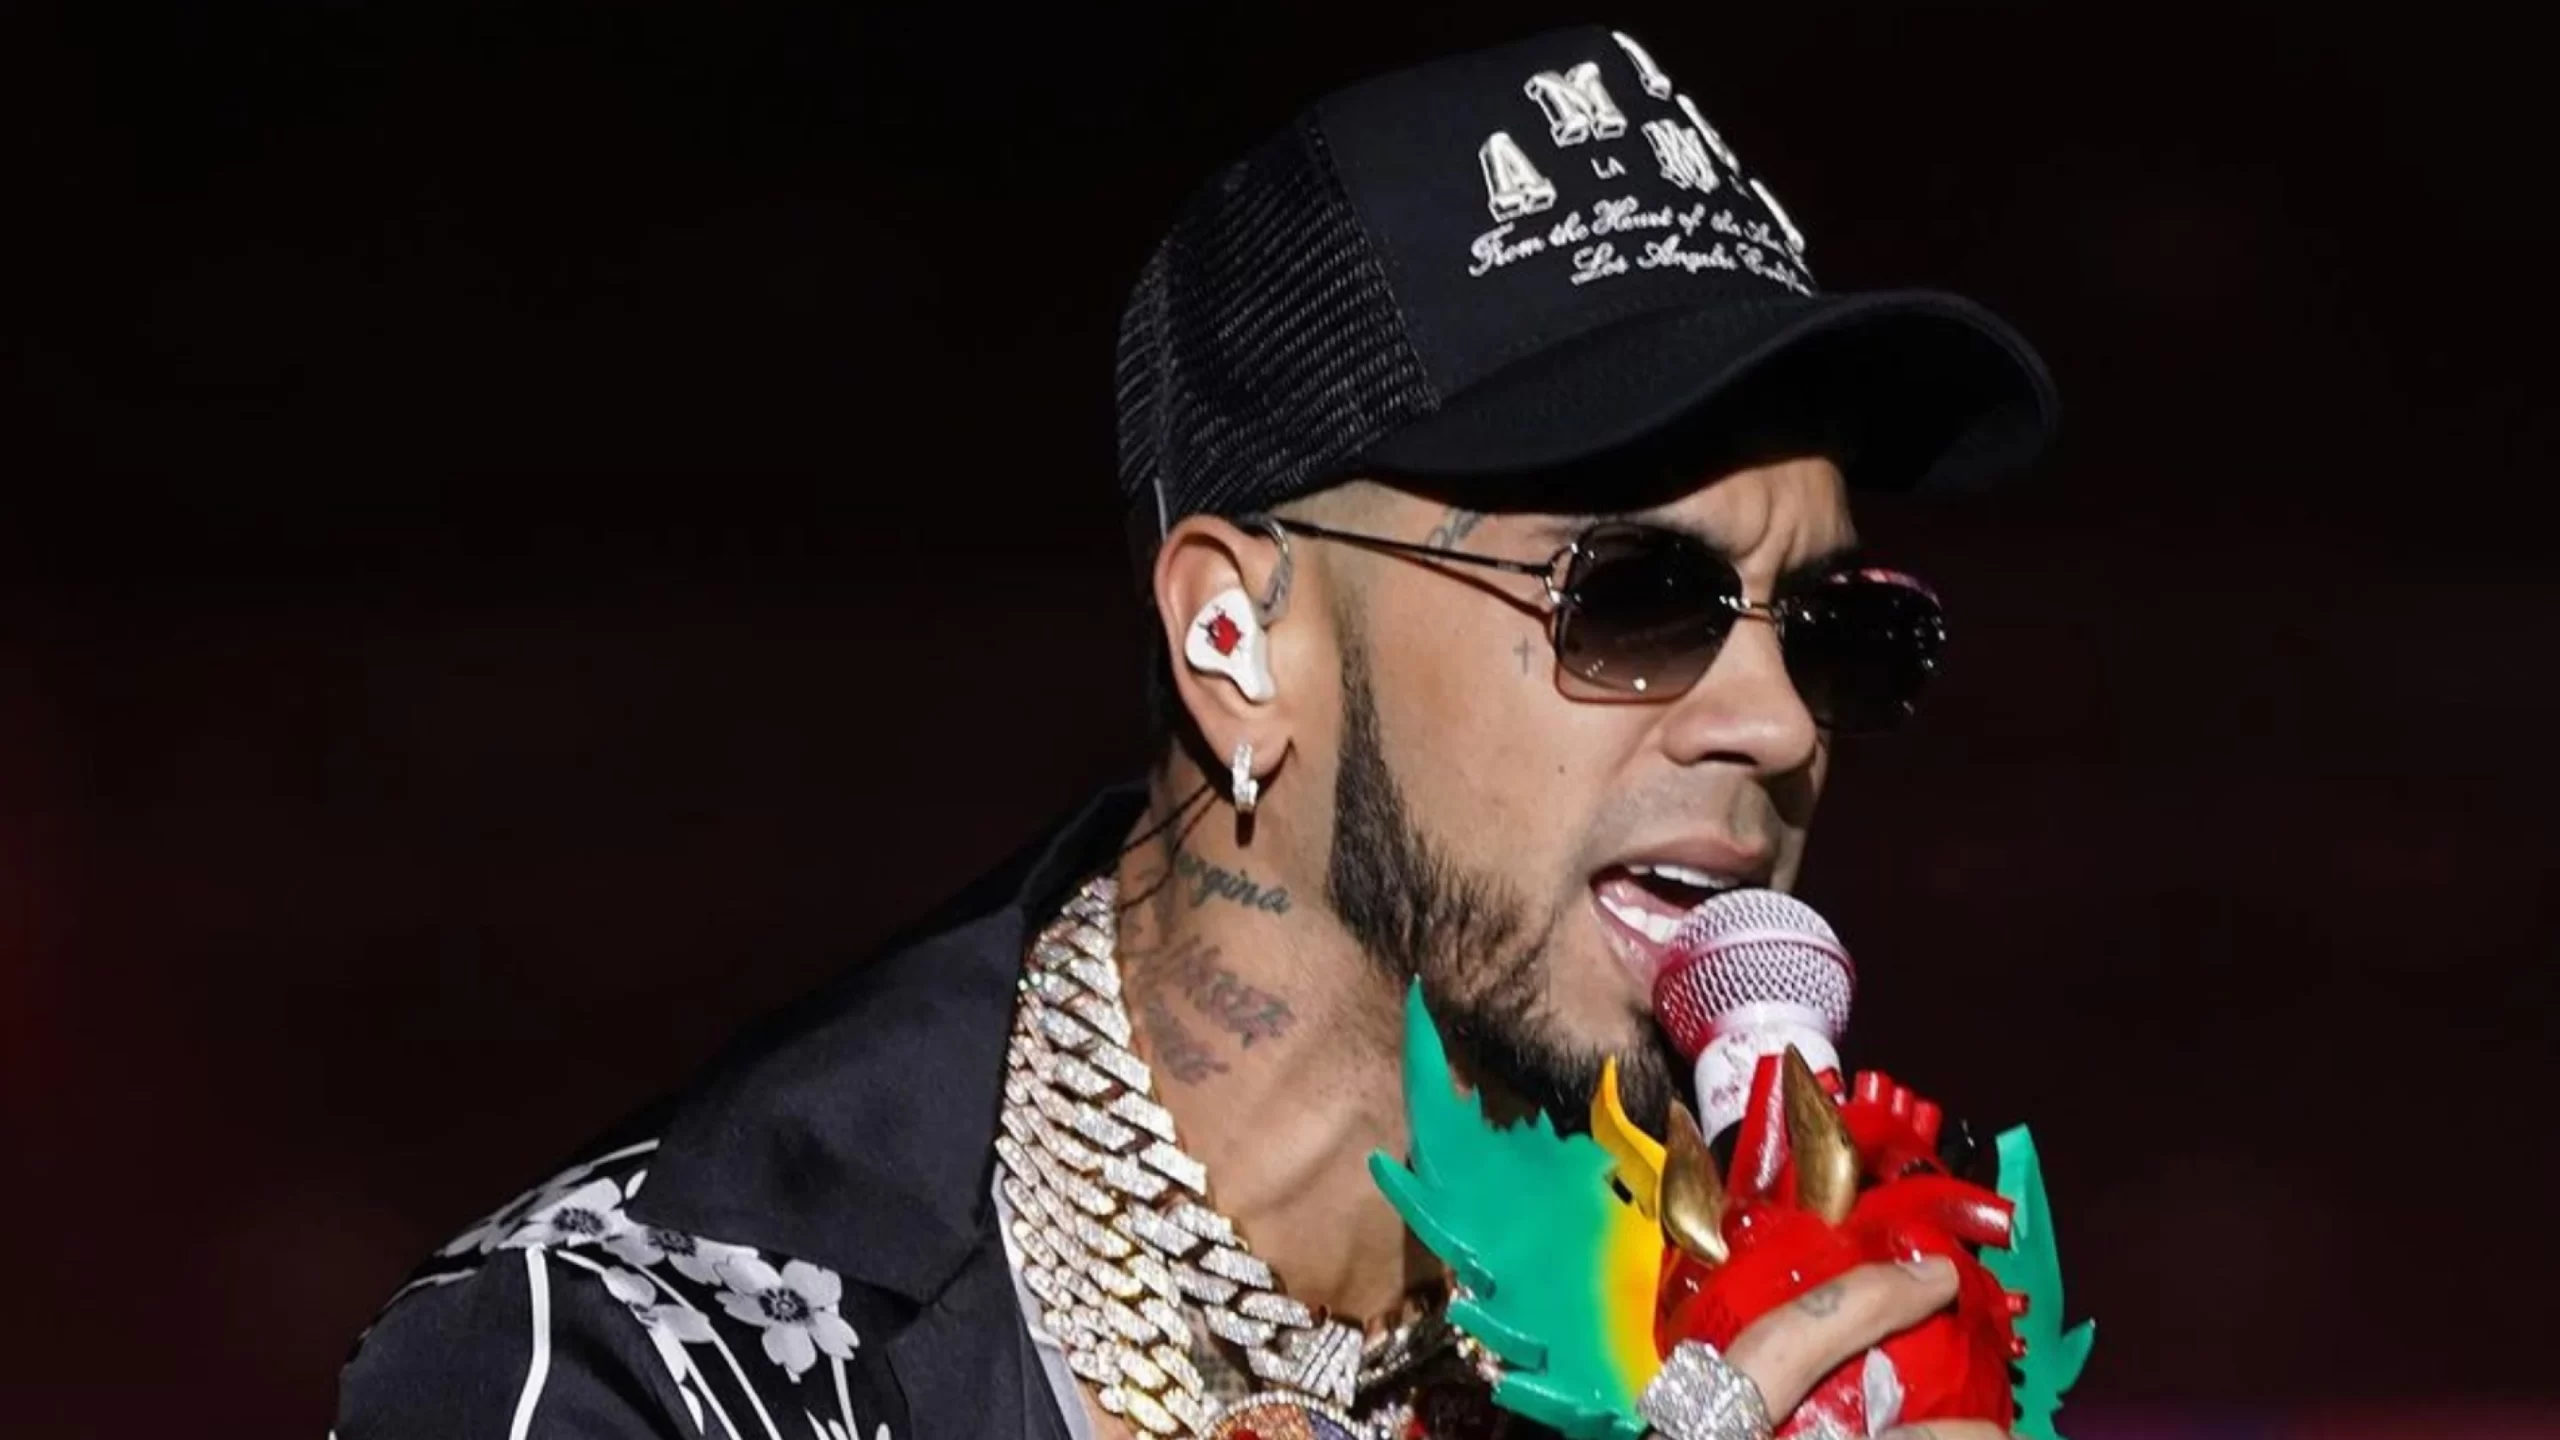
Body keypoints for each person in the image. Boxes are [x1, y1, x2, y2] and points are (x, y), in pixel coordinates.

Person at [334, 22, 2058, 1440]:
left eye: (1837, 629)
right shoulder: (643, 1359)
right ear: (1238, 640)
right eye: (1635, 598)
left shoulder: (1795, 1323)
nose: (1774, 721)